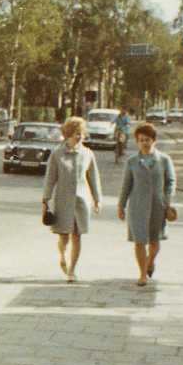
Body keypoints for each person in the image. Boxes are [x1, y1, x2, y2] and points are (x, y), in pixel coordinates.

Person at [42, 115, 102, 283]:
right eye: (77, 133)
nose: (80, 136)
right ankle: (62, 255)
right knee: (64, 237)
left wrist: (97, 199)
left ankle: (72, 270)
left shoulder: (88, 154)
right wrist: (46, 200)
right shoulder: (57, 154)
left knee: (77, 235)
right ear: (68, 134)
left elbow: (93, 178)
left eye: (82, 133)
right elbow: (50, 178)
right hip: (62, 200)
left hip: (81, 201)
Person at [117, 121, 177, 287]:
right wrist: (121, 205)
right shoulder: (132, 162)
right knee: (139, 241)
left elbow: (171, 181)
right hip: (136, 206)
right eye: (141, 139)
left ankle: (150, 262)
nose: (144, 142)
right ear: (137, 141)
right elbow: (126, 185)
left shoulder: (164, 160)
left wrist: (167, 199)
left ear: (154, 140)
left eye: (148, 139)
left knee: (154, 241)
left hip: (158, 206)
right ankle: (142, 274)